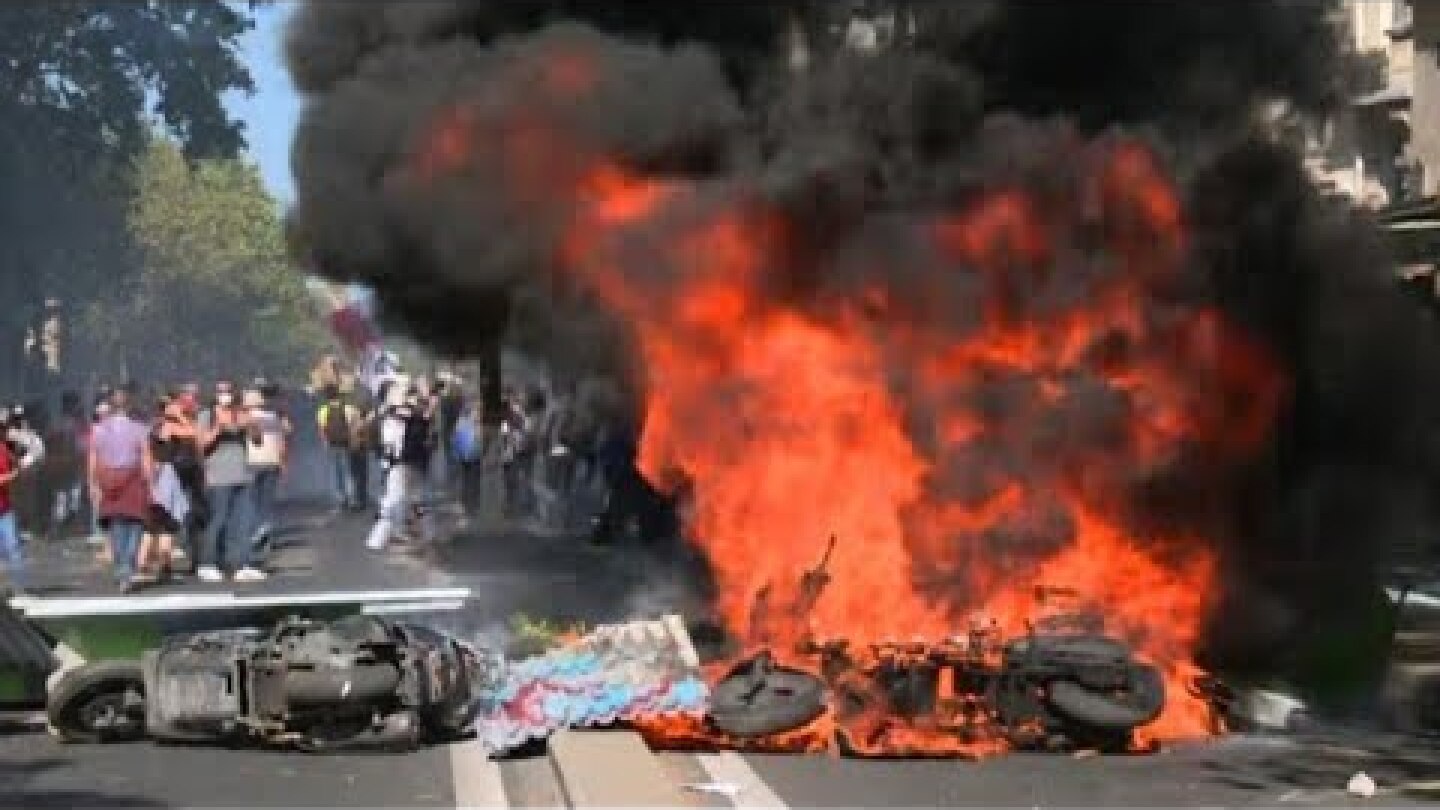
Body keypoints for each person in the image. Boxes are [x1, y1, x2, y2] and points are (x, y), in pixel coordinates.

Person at [88, 387, 153, 592]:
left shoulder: (98, 429)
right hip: (132, 478)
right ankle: (126, 570)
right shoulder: (139, 429)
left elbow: (93, 459)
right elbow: (145, 458)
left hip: (109, 479)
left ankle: (121, 571)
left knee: (117, 527)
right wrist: (151, 484)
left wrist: (93, 483)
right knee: (135, 526)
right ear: (129, 405)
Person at [197, 381, 263, 583]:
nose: (225, 395)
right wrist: (219, 427)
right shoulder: (207, 415)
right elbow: (201, 443)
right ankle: (208, 563)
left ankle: (242, 564)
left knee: (244, 522)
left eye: (228, 391)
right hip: (218, 477)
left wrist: (251, 425)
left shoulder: (240, 413)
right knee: (218, 521)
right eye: (221, 391)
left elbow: (257, 441)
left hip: (242, 475)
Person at [366, 379, 434, 551]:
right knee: (400, 500)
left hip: (407, 461)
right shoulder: (396, 411)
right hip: (403, 461)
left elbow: (421, 421)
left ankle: (382, 538)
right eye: (401, 392)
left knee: (407, 500)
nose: (406, 395)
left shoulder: (405, 411)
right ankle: (380, 539)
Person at [137, 393, 194, 585]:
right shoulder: (167, 426)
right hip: (165, 475)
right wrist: (180, 416)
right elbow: (192, 433)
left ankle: (147, 565)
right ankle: (160, 566)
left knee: (153, 524)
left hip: (158, 474)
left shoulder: (151, 426)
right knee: (165, 523)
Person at [244, 386, 286, 552]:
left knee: (252, 501)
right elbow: (282, 438)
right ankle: (266, 535)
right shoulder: (273, 417)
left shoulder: (245, 419)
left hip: (253, 463)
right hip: (272, 462)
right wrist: (282, 462)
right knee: (267, 502)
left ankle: (255, 533)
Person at [316, 384, 359, 511]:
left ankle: (341, 499)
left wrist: (324, 442)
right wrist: (353, 440)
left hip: (332, 444)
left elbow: (322, 429)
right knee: (348, 471)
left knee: (335, 472)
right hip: (346, 443)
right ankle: (352, 499)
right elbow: (354, 426)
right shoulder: (348, 408)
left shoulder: (323, 410)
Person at [0, 434, 24, 595]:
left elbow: (14, 463)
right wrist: (13, 474)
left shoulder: (2, 449)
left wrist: (18, 464)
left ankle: (18, 588)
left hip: (4, 509)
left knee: (13, 547)